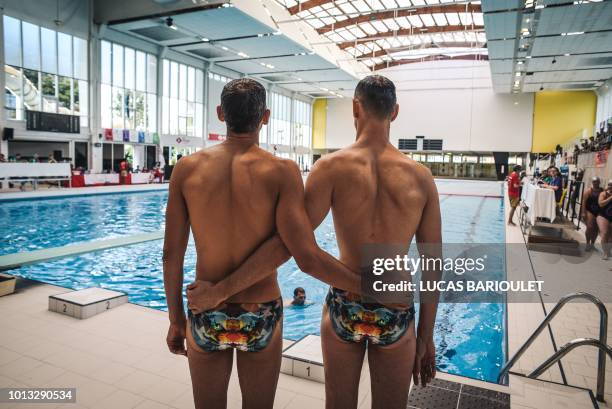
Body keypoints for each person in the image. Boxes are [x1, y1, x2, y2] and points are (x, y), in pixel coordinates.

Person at [187, 75, 442, 409]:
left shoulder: (330, 167)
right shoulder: (421, 178)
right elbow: (433, 264)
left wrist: (221, 291)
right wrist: (426, 335)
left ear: (355, 107)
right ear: (394, 113)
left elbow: (291, 245)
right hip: (394, 303)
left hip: (344, 304)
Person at [163, 78, 364, 409]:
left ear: (220, 114)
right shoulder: (282, 171)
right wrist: (365, 284)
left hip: (205, 308)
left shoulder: (185, 169)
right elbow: (300, 251)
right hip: (261, 309)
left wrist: (175, 318)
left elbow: (171, 254)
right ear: (266, 116)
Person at [582, 177, 602, 252]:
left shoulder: (602, 190)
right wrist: (583, 212)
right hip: (590, 210)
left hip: (599, 211)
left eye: (597, 181)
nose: (595, 183)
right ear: (592, 182)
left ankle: (592, 244)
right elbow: (584, 202)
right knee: (590, 227)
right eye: (594, 182)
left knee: (596, 229)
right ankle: (587, 243)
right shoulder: (588, 191)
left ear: (599, 182)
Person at [597, 180, 612, 260]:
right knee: (604, 233)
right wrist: (610, 198)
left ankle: (608, 251)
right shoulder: (604, 193)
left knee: (610, 236)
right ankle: (605, 253)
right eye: (609, 184)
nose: (611, 186)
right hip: (603, 215)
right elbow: (601, 204)